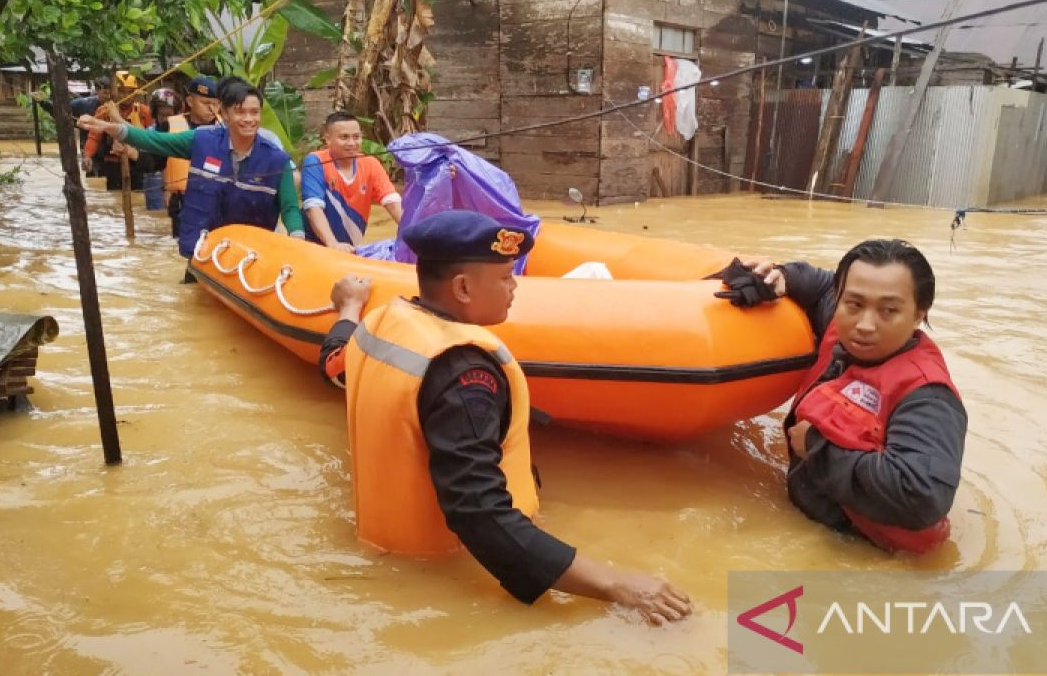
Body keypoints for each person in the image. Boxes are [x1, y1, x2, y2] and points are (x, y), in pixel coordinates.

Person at [320, 210, 692, 622]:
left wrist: (348, 310)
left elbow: (334, 366)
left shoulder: (382, 323)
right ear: (462, 287)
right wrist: (615, 584)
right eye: (504, 277)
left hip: (384, 558)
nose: (514, 287)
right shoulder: (466, 376)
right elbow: (479, 514)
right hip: (442, 569)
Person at [716, 240, 967, 554]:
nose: (864, 325)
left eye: (888, 310)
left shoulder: (927, 396)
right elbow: (820, 285)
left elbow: (922, 497)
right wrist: (782, 276)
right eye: (854, 304)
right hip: (806, 518)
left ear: (918, 314)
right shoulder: (842, 325)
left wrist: (817, 448)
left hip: (865, 552)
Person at [77, 78, 304, 259]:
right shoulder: (200, 140)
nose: (248, 119)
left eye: (254, 113)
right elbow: (151, 140)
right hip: (203, 249)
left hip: (253, 255)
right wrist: (108, 126)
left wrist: (298, 240)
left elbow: (291, 208)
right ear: (224, 114)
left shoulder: (277, 159)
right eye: (240, 112)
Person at [301, 111, 403, 252]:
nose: (351, 143)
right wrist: (332, 243)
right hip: (313, 246)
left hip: (349, 248)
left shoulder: (371, 164)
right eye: (344, 137)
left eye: (356, 137)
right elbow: (313, 207)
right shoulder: (315, 161)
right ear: (327, 139)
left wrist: (414, 234)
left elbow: (392, 202)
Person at [161, 76, 221, 238]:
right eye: (206, 103)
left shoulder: (226, 129)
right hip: (181, 199)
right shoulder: (171, 125)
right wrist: (167, 189)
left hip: (215, 200)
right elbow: (160, 160)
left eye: (216, 104)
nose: (212, 109)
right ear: (190, 101)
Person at [81, 71, 152, 189]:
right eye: (122, 91)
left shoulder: (144, 112)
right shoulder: (103, 111)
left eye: (130, 92)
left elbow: (152, 138)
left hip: (137, 163)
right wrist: (87, 155)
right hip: (112, 165)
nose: (126, 96)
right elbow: (94, 137)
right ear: (115, 91)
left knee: (139, 197)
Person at [70, 77, 111, 175]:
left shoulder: (114, 106)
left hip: (107, 152)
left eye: (110, 93)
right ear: (97, 90)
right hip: (89, 151)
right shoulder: (83, 104)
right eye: (105, 93)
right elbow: (63, 111)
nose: (108, 96)